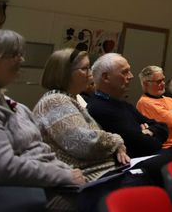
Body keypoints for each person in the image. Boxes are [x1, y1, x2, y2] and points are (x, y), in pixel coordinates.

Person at [0, 29, 85, 200]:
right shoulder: (54, 100)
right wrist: (65, 175)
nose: (21, 60)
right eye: (13, 55)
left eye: (21, 54)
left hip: (48, 180)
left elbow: (41, 151)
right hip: (28, 192)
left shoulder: (16, 106)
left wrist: (66, 171)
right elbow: (3, 167)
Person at [33, 48, 129, 181]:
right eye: (85, 68)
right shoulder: (55, 101)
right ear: (65, 73)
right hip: (88, 177)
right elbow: (85, 142)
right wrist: (116, 141)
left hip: (102, 172)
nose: (91, 73)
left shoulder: (68, 99)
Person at [85, 53, 168, 157]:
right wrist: (146, 132)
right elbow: (146, 145)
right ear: (106, 77)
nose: (131, 76)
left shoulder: (122, 104)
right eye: (125, 72)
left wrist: (149, 131)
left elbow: (163, 127)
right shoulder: (99, 108)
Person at [136, 66, 172, 148]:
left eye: (163, 80)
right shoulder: (145, 102)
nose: (163, 83)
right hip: (171, 147)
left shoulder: (168, 99)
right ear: (146, 84)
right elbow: (170, 121)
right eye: (159, 81)